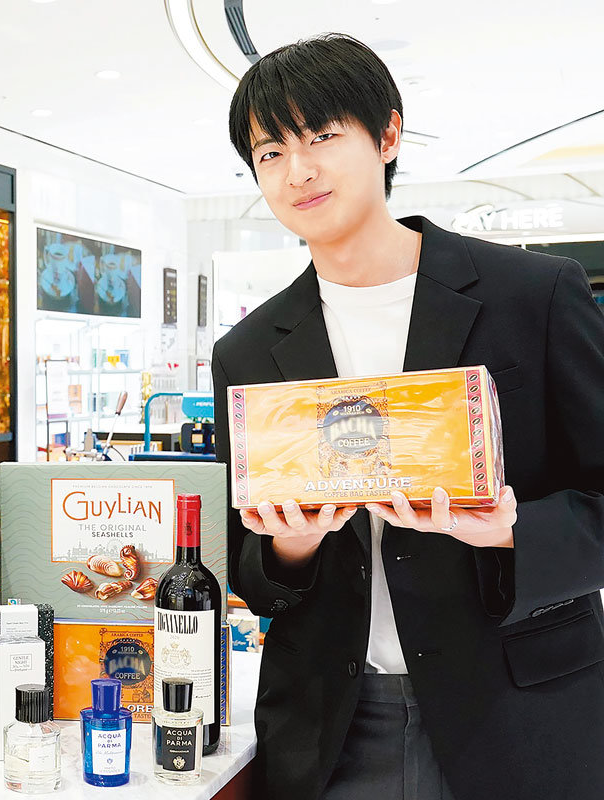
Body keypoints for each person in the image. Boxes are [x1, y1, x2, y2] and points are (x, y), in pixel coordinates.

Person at [213, 33, 604, 800]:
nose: (298, 171)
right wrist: (289, 548)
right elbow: (249, 568)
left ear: (388, 134)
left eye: (322, 136)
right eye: (270, 152)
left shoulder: (534, 296)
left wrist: (512, 530)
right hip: (331, 728)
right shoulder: (249, 350)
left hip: (519, 714)